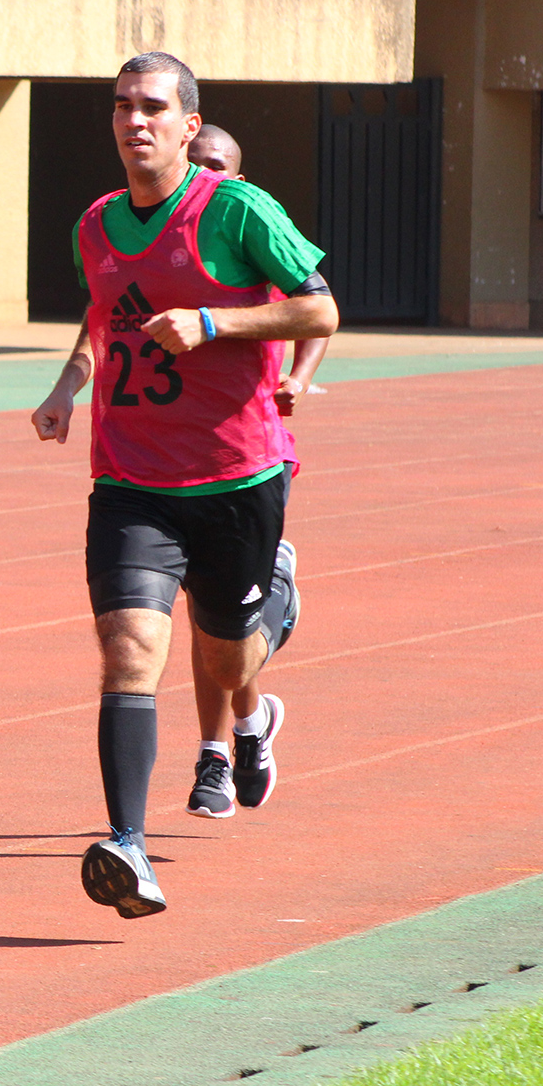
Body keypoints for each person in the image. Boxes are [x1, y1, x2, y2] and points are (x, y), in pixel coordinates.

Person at [31, 53, 338, 918]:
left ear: (187, 124)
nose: (137, 120)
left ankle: (268, 616)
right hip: (130, 476)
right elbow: (105, 314)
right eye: (123, 106)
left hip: (237, 477)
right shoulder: (96, 224)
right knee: (129, 648)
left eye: (154, 107)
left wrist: (216, 322)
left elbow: (319, 309)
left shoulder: (237, 209)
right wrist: (67, 386)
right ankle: (128, 845)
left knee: (226, 647)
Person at [179, 124, 330, 819]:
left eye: (218, 166)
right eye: (197, 163)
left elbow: (318, 311)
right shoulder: (162, 237)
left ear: (236, 176)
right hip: (169, 451)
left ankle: (278, 599)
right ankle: (230, 741)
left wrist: (298, 376)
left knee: (220, 621)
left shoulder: (249, 225)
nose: (205, 175)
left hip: (252, 451)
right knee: (199, 613)